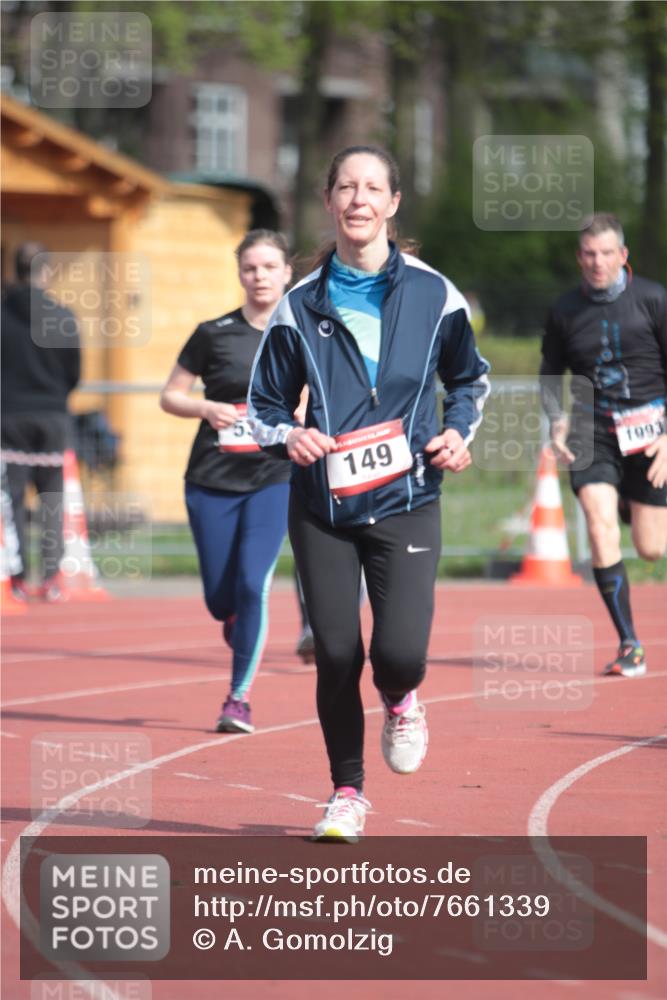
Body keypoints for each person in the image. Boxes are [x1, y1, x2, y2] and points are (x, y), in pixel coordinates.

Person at [248, 145, 490, 841]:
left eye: (371, 187)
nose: (358, 198)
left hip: (408, 497)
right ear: (328, 202)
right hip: (322, 506)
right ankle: (346, 792)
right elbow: (262, 404)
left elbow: (468, 379)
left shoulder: (433, 294)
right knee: (335, 652)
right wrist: (286, 438)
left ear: (391, 203)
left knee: (398, 654)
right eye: (345, 187)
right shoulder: (297, 307)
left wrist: (457, 430)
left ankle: (401, 695)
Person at [160, 230, 294, 733]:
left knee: (252, 583)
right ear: (240, 274)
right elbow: (169, 396)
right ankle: (236, 623)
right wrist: (205, 406)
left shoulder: (303, 332)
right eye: (250, 268)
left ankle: (238, 699)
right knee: (221, 598)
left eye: (269, 267)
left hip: (274, 476)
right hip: (211, 478)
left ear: (287, 272)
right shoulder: (212, 332)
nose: (259, 277)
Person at [540, 213, 667, 678]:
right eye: (590, 254)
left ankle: (634, 505)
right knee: (597, 522)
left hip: (653, 431)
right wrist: (556, 421)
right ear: (580, 258)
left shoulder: (654, 300)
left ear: (623, 256)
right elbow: (551, 373)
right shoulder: (564, 309)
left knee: (652, 548)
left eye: (607, 254)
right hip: (593, 431)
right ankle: (630, 643)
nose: (598, 263)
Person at [1, 242, 81, 602]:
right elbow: (74, 371)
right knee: (51, 500)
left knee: (11, 500)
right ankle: (50, 579)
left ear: (15, 272)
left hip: (8, 416)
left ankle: (16, 577)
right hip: (51, 415)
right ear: (46, 273)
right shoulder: (62, 317)